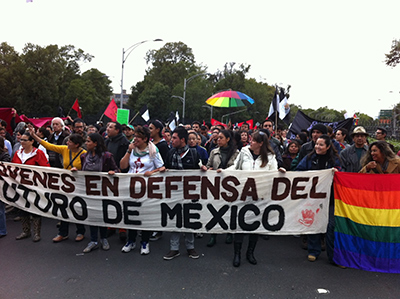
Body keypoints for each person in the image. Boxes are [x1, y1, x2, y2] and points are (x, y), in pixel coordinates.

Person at [226, 130, 278, 267]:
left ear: (261, 144)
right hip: (242, 195)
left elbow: (274, 173)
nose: (251, 142)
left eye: (254, 140)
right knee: (240, 224)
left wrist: (281, 173)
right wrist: (223, 172)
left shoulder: (271, 157)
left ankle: (250, 253)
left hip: (260, 197)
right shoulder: (244, 152)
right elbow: (235, 167)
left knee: (254, 225)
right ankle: (237, 254)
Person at [28, 125, 87, 243]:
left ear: (76, 145)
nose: (67, 143)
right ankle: (63, 233)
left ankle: (80, 232)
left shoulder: (84, 154)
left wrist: (79, 171)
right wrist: (33, 135)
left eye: (70, 141)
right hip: (66, 184)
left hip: (79, 185)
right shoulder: (65, 149)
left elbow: (89, 169)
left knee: (77, 209)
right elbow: (49, 146)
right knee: (64, 207)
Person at [296, 135, 341, 265]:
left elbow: (341, 173)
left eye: (321, 145)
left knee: (331, 226)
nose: (317, 147)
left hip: (331, 198)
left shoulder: (335, 160)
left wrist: (336, 172)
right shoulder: (309, 158)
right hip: (314, 197)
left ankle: (333, 256)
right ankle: (313, 251)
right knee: (313, 223)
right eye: (316, 144)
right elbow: (299, 171)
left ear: (328, 147)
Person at [119, 126, 165, 255]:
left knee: (145, 216)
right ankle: (131, 241)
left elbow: (162, 168)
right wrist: (128, 152)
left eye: (138, 137)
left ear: (145, 139)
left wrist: (152, 172)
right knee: (131, 214)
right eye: (135, 136)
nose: (135, 139)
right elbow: (123, 166)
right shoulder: (132, 149)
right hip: (131, 188)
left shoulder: (153, 150)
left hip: (145, 189)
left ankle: (145, 242)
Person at [72, 133, 119, 253]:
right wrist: (76, 172)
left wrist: (113, 172)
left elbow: (117, 169)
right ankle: (93, 240)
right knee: (92, 216)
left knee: (102, 215)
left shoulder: (107, 156)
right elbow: (84, 172)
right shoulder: (84, 156)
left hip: (103, 192)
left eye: (88, 141)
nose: (86, 144)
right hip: (89, 192)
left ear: (95, 143)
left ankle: (103, 238)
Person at [162, 127, 202, 261]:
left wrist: (203, 169)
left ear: (182, 140)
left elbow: (199, 172)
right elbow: (166, 167)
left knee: (188, 220)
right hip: (174, 193)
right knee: (175, 219)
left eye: (174, 138)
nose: (171, 140)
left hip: (189, 194)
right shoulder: (171, 152)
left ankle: (190, 247)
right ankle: (174, 248)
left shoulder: (194, 154)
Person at [201, 130, 239, 247]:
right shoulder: (214, 152)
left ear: (228, 139)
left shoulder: (236, 153)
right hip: (216, 185)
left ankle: (229, 232)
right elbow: (209, 165)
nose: (218, 140)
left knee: (229, 209)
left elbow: (238, 168)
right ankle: (213, 234)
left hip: (230, 186)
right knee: (215, 210)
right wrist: (207, 169)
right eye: (217, 138)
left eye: (221, 138)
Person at [12, 132, 49, 242]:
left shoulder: (38, 153)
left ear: (32, 141)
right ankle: (25, 231)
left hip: (34, 186)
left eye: (24, 140)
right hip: (20, 185)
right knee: (22, 208)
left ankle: (37, 233)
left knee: (35, 209)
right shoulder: (18, 153)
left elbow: (46, 168)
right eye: (21, 140)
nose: (21, 142)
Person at [0, 137, 11, 238]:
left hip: (1, 184)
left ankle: (2, 230)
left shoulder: (5, 155)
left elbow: (5, 170)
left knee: (0, 209)